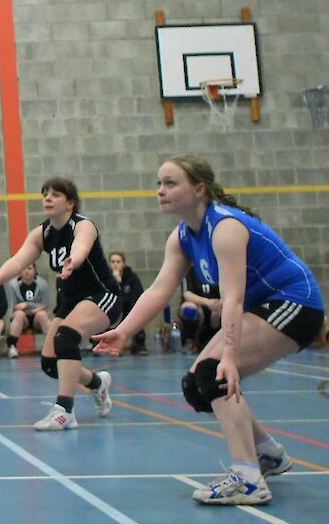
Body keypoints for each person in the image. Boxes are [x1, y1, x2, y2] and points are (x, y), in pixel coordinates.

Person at [94, 156, 324, 506]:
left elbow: (233, 300)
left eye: (171, 183)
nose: (160, 190)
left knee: (213, 372)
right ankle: (267, 453)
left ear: (198, 189)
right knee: (197, 385)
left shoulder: (226, 228)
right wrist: (123, 331)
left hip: (295, 303)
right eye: (159, 183)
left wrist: (229, 356)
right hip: (263, 306)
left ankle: (249, 478)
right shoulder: (183, 236)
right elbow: (159, 289)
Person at [0, 177, 118, 431]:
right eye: (45, 194)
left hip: (101, 295)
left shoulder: (83, 225)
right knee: (51, 363)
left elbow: (82, 245)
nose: (47, 198)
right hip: (70, 301)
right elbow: (18, 260)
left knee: (66, 338)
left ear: (70, 202)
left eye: (55, 194)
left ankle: (64, 411)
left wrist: (74, 259)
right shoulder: (43, 233)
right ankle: (97, 383)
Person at [3, 263, 50, 359]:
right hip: (22, 319)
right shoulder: (13, 284)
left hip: (37, 317)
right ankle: (12, 346)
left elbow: (45, 306)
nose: (27, 271)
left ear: (35, 270)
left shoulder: (42, 284)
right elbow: (13, 307)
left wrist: (27, 305)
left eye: (30, 268)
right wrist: (34, 308)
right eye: (24, 268)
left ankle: (53, 346)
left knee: (42, 315)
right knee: (19, 314)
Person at [108, 252, 149, 355]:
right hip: (112, 308)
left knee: (136, 314)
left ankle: (139, 343)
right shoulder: (106, 277)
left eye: (118, 262)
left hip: (128, 308)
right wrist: (116, 282)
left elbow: (138, 294)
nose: (115, 264)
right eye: (113, 262)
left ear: (123, 263)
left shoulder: (132, 277)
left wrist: (121, 284)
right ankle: (107, 344)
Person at [179, 262, 222, 353]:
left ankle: (214, 340)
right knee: (189, 310)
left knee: (228, 309)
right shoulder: (190, 270)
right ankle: (191, 339)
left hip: (216, 306)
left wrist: (218, 303)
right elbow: (187, 294)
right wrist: (207, 302)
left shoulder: (221, 268)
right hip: (200, 305)